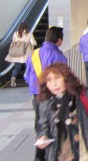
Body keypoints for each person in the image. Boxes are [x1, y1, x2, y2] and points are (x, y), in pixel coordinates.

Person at [36, 63, 88, 161]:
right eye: (49, 80)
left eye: (57, 78)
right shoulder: (46, 102)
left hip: (85, 153)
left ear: (66, 78)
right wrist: (43, 137)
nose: (53, 84)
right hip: (60, 155)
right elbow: (43, 125)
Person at [24, 26, 67, 161]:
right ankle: (53, 154)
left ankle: (39, 156)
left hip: (37, 97)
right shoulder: (58, 56)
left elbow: (26, 76)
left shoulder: (34, 54)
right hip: (54, 97)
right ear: (59, 40)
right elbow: (65, 77)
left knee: (41, 126)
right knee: (55, 127)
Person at [5, 22, 37, 87]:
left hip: (17, 55)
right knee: (27, 67)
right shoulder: (29, 34)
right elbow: (34, 43)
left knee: (16, 68)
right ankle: (27, 80)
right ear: (26, 28)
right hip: (26, 55)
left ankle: (12, 80)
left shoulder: (15, 34)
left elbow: (13, 42)